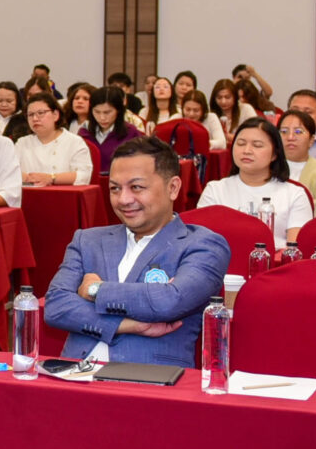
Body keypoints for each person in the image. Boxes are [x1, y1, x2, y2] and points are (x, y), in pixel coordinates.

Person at [44, 136, 231, 367]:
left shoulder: (203, 245)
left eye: (136, 187)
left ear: (173, 188)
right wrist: (126, 325)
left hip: (150, 378)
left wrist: (95, 290)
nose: (123, 199)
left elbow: (169, 301)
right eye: (115, 188)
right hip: (73, 374)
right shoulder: (88, 240)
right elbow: (56, 307)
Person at [200, 117, 316, 249]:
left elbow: (295, 250)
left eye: (257, 145)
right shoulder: (214, 190)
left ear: (275, 154)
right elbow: (202, 242)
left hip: (276, 260)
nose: (246, 151)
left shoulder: (294, 194)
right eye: (241, 143)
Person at [17, 94, 93, 185]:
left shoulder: (74, 142)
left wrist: (51, 178)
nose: (35, 119)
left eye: (40, 113)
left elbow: (84, 175)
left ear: (55, 115)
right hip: (29, 192)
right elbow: (8, 171)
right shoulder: (22, 142)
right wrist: (26, 177)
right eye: (30, 114)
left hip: (63, 192)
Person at [77, 91, 129, 174]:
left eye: (107, 112)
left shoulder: (130, 133)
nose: (102, 118)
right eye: (97, 112)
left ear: (118, 110)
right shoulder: (84, 132)